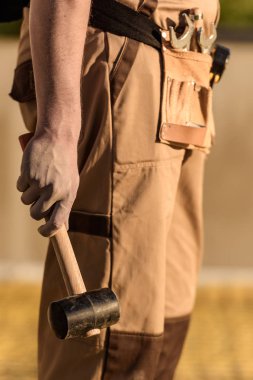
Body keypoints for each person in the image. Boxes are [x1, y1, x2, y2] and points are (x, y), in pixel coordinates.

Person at [10, 0, 220, 379]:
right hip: (121, 63)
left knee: (158, 335)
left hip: (183, 71)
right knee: (113, 348)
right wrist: (58, 127)